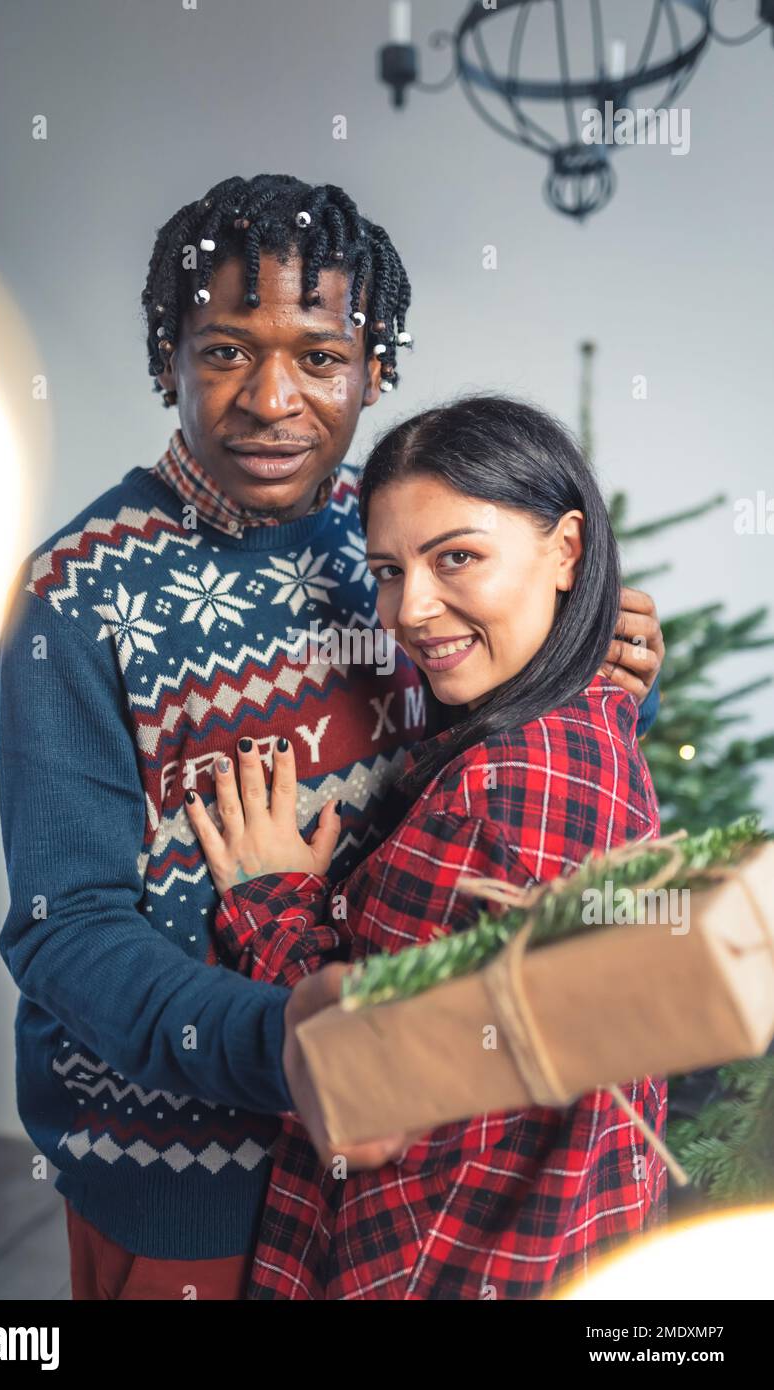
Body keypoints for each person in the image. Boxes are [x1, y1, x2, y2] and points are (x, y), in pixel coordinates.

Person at [0, 173, 663, 1301]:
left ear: (374, 367)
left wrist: (593, 661)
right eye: (221, 351)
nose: (270, 398)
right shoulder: (74, 591)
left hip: (408, 1190)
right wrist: (307, 1048)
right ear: (167, 359)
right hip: (190, 1182)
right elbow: (65, 932)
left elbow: (504, 764)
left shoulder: (403, 526)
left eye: (317, 355)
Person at [187, 393, 669, 1301]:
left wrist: (273, 896)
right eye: (387, 570)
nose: (411, 610)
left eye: (458, 558)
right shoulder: (591, 722)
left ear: (565, 549)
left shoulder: (510, 780)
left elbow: (371, 1077)